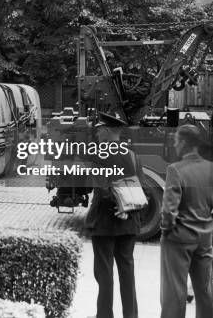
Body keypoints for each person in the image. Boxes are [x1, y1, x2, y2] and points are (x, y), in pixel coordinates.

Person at [160, 124, 213, 318]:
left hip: (178, 239)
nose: (174, 145)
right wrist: (209, 227)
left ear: (183, 143)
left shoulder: (175, 169)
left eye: (176, 141)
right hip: (204, 238)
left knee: (174, 292)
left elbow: (168, 211)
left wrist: (167, 230)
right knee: (204, 291)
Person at [84, 112, 141, 318]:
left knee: (104, 274)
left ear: (108, 131)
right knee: (127, 272)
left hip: (104, 223)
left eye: (99, 129)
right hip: (128, 223)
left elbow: (101, 188)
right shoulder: (133, 155)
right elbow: (140, 188)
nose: (97, 133)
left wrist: (116, 205)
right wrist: (127, 208)